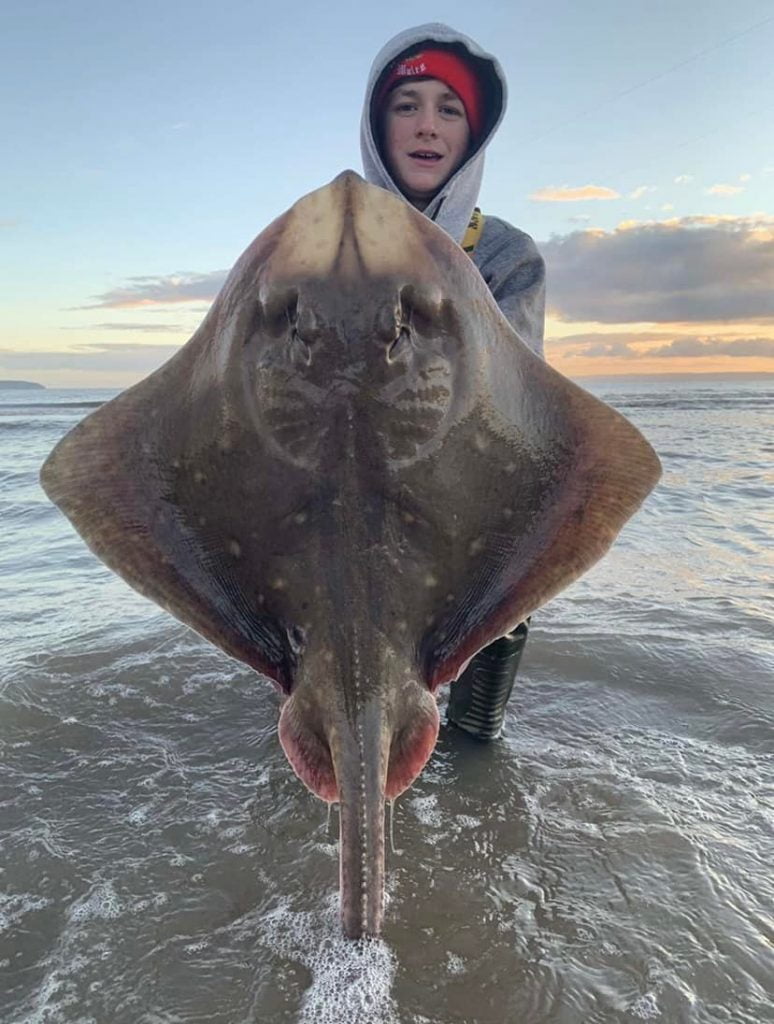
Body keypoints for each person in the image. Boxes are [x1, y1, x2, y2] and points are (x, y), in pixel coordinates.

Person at [360, 23, 545, 741]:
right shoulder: (320, 244)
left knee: (471, 739)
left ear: (473, 133)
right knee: (337, 718)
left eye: (449, 108)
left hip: (467, 506)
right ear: (378, 126)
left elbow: (515, 388)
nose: (428, 126)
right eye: (406, 104)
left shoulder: (504, 254)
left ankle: (474, 777)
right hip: (342, 501)